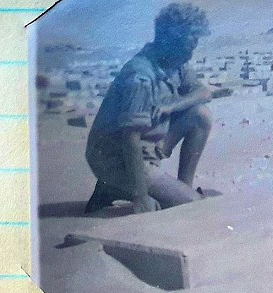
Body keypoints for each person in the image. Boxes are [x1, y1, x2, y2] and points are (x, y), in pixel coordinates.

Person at [85, 2, 213, 214]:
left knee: (201, 115)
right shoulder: (140, 76)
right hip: (117, 158)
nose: (195, 45)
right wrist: (141, 196)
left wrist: (174, 104)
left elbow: (203, 92)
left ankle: (183, 188)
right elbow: (130, 139)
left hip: (148, 147)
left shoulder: (175, 62)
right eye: (191, 39)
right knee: (193, 205)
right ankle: (113, 187)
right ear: (172, 39)